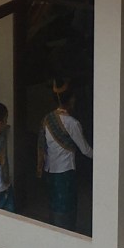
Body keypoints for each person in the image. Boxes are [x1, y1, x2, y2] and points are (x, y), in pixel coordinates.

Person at [37, 78, 93, 230]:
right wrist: (102, 157)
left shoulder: (47, 119)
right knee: (66, 209)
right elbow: (85, 150)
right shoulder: (72, 123)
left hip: (50, 170)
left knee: (53, 206)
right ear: (71, 99)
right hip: (65, 172)